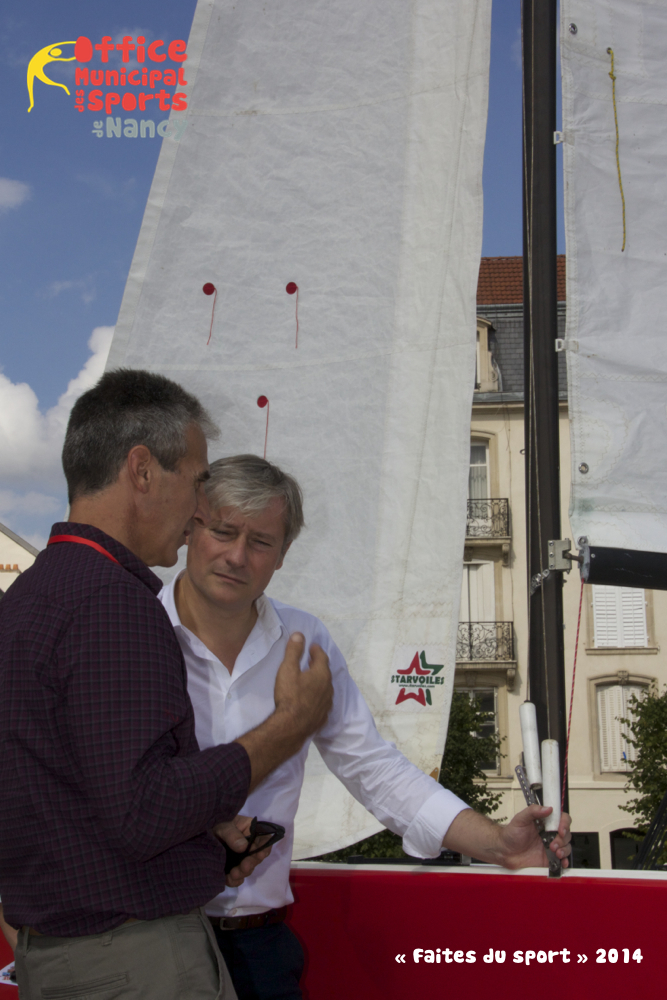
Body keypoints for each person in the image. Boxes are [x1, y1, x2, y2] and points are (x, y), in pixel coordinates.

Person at [160, 454, 572, 1000]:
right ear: (191, 527)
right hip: (150, 941)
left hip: (261, 952)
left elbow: (372, 766)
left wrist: (497, 842)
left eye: (260, 541)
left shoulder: (305, 641)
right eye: (222, 531)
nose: (237, 555)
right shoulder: (132, 625)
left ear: (283, 556)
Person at [0, 371, 333, 1000]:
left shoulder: (27, 600)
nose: (199, 510)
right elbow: (144, 811)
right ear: (143, 471)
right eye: (198, 479)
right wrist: (288, 725)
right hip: (135, 963)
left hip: (57, 958)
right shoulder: (113, 602)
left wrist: (207, 834)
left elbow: (75, 799)